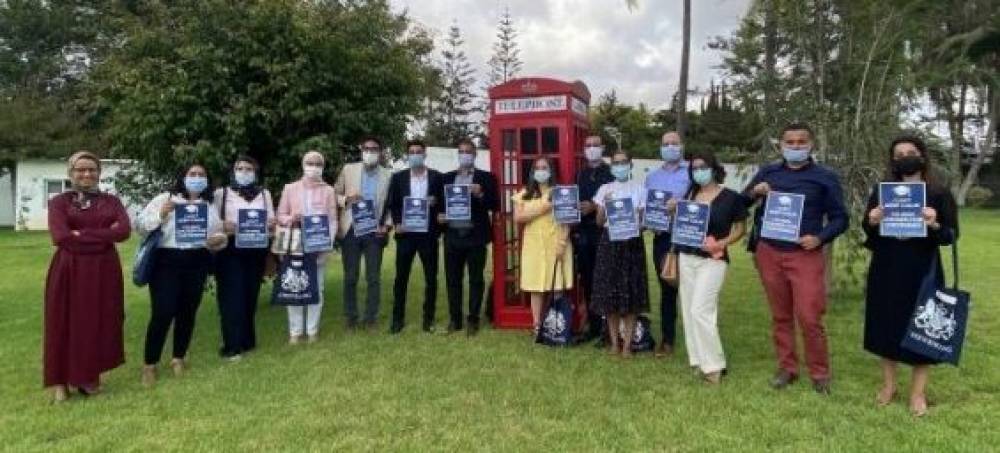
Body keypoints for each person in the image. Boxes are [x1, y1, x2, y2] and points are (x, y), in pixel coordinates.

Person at [742, 122, 848, 394]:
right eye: (790, 142)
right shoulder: (769, 172)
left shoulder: (825, 176)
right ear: (781, 145)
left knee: (809, 316)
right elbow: (741, 202)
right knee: (780, 315)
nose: (796, 146)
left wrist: (820, 238)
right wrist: (755, 192)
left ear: (812, 145)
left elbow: (841, 218)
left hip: (805, 253)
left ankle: (820, 372)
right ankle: (787, 368)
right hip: (770, 251)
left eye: (802, 142)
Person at [862, 135, 958, 417]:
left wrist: (935, 223)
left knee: (922, 330)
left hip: (923, 269)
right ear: (893, 160)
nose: (905, 157)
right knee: (886, 325)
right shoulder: (882, 190)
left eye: (911, 152)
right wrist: (872, 220)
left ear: (922, 156)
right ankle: (889, 386)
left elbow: (951, 236)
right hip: (887, 267)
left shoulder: (938, 193)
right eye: (899, 153)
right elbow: (867, 230)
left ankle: (917, 394)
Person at [43, 151, 131, 402]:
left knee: (97, 320)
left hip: (104, 270)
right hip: (69, 269)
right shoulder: (60, 202)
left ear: (99, 173)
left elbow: (123, 231)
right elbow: (60, 236)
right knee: (63, 320)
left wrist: (81, 234)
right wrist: (104, 233)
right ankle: (60, 382)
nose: (86, 174)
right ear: (70, 173)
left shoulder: (111, 201)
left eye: (92, 169)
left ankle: (88, 378)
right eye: (80, 169)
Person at [138, 163, 227, 386]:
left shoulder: (207, 205)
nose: (196, 177)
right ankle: (150, 364)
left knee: (188, 312)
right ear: (183, 177)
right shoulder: (164, 199)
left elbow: (218, 235)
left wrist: (218, 241)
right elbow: (139, 226)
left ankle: (178, 357)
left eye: (201, 175)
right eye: (192, 174)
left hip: (196, 261)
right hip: (166, 262)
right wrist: (161, 214)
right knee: (163, 312)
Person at [672, 151, 746, 384]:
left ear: (714, 168)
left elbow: (741, 229)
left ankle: (714, 365)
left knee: (701, 310)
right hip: (687, 256)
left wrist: (722, 243)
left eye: (703, 167)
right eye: (694, 168)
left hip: (713, 260)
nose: (698, 171)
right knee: (688, 309)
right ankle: (698, 360)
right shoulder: (691, 193)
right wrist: (674, 209)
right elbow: (683, 224)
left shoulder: (731, 197)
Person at [212, 156, 275, 361]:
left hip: (255, 250)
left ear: (255, 173)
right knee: (231, 298)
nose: (244, 172)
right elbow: (211, 222)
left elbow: (271, 225)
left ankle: (248, 341)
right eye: (240, 168)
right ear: (233, 171)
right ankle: (232, 346)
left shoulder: (264, 194)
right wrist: (223, 225)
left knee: (250, 295)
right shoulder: (221, 193)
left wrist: (271, 225)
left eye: (249, 168)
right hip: (230, 251)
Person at [276, 151, 339, 344]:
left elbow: (333, 220)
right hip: (294, 244)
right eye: (310, 163)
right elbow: (280, 215)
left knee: (316, 287)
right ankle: (295, 332)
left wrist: (326, 243)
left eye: (318, 163)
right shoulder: (290, 188)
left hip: (318, 245)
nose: (313, 167)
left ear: (323, 167)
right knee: (293, 286)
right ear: (303, 165)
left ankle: (312, 330)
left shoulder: (328, 190)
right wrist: (290, 219)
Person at [592, 150, 649, 358]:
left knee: (632, 294)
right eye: (616, 163)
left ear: (630, 165)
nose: (620, 166)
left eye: (624, 162)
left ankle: (627, 346)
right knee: (610, 294)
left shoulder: (640, 189)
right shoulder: (604, 189)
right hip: (609, 243)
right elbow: (599, 222)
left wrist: (633, 223)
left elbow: (644, 222)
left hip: (632, 243)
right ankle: (614, 343)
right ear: (612, 167)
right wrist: (604, 207)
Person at [439, 138, 499, 336]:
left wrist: (481, 193)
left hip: (476, 236)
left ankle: (473, 318)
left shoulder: (486, 178)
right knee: (453, 280)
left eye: (468, 151)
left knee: (475, 279)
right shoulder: (446, 178)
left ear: (475, 155)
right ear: (458, 154)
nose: (464, 154)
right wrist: (439, 216)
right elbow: (439, 206)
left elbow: (495, 205)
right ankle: (455, 319)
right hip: (453, 236)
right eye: (461, 151)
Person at [385, 140, 445, 334]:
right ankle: (397, 319)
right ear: (407, 155)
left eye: (419, 152)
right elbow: (393, 204)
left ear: (425, 154)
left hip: (428, 235)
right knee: (401, 278)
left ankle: (428, 320)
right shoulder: (398, 177)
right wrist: (397, 223)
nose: (415, 155)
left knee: (431, 279)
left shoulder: (437, 177)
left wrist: (436, 203)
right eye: (412, 152)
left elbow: (444, 204)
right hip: (406, 235)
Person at [334, 137, 392, 331]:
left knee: (373, 277)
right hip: (351, 230)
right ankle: (351, 317)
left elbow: (391, 205)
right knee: (350, 276)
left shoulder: (388, 175)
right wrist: (346, 199)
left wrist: (387, 225)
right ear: (361, 151)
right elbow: (333, 194)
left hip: (375, 231)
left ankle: (371, 318)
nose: (370, 152)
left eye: (374, 149)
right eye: (366, 148)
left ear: (380, 151)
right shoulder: (348, 170)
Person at [513, 157, 573, 336]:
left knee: (556, 286)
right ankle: (537, 325)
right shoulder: (523, 194)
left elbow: (567, 218)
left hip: (556, 242)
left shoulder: (560, 192)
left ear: (551, 170)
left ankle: (557, 325)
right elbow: (518, 217)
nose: (541, 170)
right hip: (533, 245)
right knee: (536, 287)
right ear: (532, 172)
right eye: (537, 167)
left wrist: (563, 242)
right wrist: (546, 205)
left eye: (544, 167)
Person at [645, 131, 692, 357]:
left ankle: (697, 338)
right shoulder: (652, 177)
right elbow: (648, 207)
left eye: (674, 143)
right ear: (660, 147)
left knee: (693, 288)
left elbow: (703, 201)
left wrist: (680, 205)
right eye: (666, 144)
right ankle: (668, 339)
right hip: (663, 238)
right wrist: (649, 221)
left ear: (682, 146)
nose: (670, 147)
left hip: (689, 236)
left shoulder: (694, 171)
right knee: (667, 290)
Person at [573, 135, 614, 342]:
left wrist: (594, 206)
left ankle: (609, 327)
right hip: (583, 233)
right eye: (587, 145)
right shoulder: (580, 173)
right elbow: (572, 200)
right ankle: (593, 325)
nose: (591, 148)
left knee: (605, 279)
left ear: (602, 148)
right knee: (587, 280)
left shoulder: (611, 172)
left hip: (604, 232)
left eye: (595, 145)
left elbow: (617, 200)